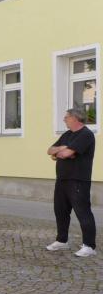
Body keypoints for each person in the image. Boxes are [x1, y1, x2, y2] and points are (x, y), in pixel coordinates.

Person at [46, 108, 96, 257]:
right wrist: (62, 149)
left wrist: (62, 152)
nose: (64, 119)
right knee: (60, 211)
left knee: (83, 212)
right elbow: (50, 151)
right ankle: (62, 241)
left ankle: (89, 246)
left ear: (75, 118)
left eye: (66, 117)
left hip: (78, 180)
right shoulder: (67, 135)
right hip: (62, 179)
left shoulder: (86, 134)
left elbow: (65, 154)